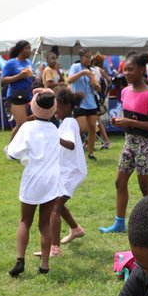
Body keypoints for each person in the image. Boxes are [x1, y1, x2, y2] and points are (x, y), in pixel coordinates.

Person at [5, 89, 62, 276]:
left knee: (25, 221)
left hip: (33, 179)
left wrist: (9, 149)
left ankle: (20, 260)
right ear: (53, 110)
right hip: (52, 180)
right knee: (44, 223)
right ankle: (44, 265)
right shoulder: (54, 129)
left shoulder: (27, 128)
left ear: (32, 106)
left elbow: (12, 153)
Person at [99, 53, 148, 234]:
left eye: (131, 69)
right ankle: (119, 223)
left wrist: (129, 122)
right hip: (129, 142)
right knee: (119, 182)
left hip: (144, 144)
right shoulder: (125, 91)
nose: (126, 73)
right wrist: (120, 121)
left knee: (144, 186)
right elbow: (129, 118)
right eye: (125, 69)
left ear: (141, 70)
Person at [51, 86, 87, 251]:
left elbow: (70, 144)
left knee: (54, 206)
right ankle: (75, 229)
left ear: (66, 106)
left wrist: (53, 137)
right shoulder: (65, 122)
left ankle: (54, 248)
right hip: (68, 170)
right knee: (55, 202)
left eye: (56, 105)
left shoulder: (69, 122)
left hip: (72, 172)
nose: (54, 109)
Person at [67, 49, 101, 160]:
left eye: (90, 57)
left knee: (92, 128)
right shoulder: (76, 67)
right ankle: (73, 150)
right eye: (86, 57)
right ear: (81, 57)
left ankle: (91, 153)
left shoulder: (92, 70)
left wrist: (95, 85)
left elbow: (99, 88)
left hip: (91, 102)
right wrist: (82, 73)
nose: (88, 59)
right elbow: (69, 80)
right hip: (79, 102)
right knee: (81, 128)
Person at [1, 40, 35, 138]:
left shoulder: (29, 62)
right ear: (21, 50)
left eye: (30, 48)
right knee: (22, 125)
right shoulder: (11, 63)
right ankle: (10, 148)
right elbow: (3, 80)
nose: (30, 51)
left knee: (27, 122)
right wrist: (19, 76)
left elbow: (32, 76)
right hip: (16, 96)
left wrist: (35, 77)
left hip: (28, 95)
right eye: (27, 48)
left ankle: (21, 147)